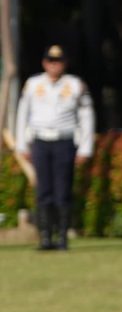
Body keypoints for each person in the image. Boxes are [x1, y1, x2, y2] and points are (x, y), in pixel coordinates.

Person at [14, 44, 94, 251]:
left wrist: (85, 148)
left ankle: (62, 238)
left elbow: (86, 117)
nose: (54, 65)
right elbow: (23, 114)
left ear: (64, 64)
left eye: (58, 62)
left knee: (63, 190)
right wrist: (22, 143)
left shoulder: (75, 84)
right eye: (50, 61)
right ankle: (45, 238)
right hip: (40, 141)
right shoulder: (33, 84)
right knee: (43, 191)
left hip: (64, 141)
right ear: (44, 63)